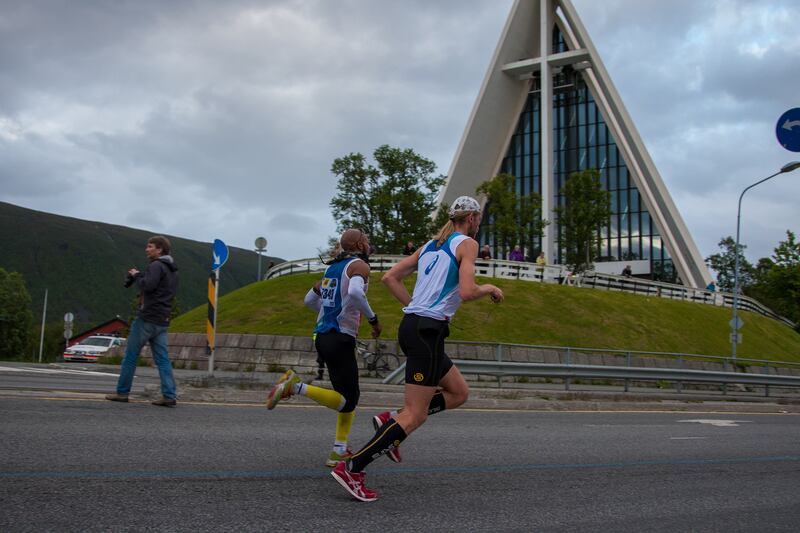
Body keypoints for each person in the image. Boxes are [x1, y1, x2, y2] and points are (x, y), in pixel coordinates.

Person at [330, 195, 504, 502]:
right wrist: (489, 288)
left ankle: (389, 420)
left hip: (415, 327)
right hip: (427, 331)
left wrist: (416, 306)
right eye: (478, 219)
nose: (478, 224)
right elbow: (466, 291)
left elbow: (389, 277)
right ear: (473, 219)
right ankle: (353, 468)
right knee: (415, 415)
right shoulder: (467, 244)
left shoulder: (430, 245)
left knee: (459, 393)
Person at [266, 229, 382, 467]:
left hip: (323, 336)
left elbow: (309, 300)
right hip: (340, 337)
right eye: (367, 241)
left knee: (346, 396)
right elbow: (356, 292)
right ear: (359, 244)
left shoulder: (332, 269)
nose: (369, 244)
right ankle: (295, 387)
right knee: (349, 400)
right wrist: (372, 319)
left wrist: (328, 312)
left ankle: (338, 450)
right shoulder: (359, 266)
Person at [106, 236, 179, 407]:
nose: (146, 249)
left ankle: (122, 393)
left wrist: (137, 275)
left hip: (146, 318)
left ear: (160, 250)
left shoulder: (156, 266)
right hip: (162, 319)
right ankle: (169, 395)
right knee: (162, 359)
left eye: (150, 246)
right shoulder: (173, 270)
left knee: (131, 356)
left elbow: (148, 286)